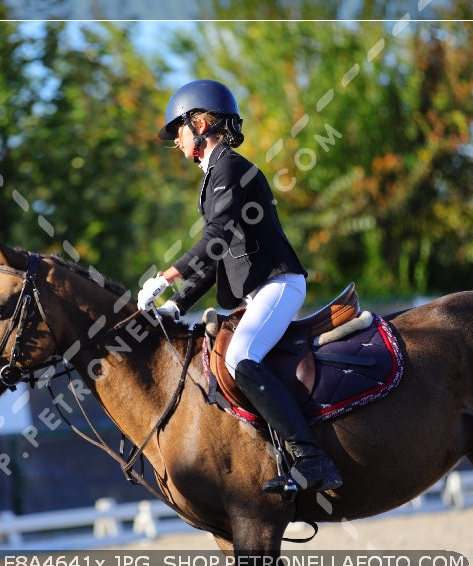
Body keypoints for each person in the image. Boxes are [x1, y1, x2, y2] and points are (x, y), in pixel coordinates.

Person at [136, 79, 342, 493]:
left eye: (178, 131)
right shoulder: (215, 175)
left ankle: (312, 459)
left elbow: (213, 239)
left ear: (201, 123)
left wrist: (164, 278)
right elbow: (219, 258)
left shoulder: (231, 168)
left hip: (278, 284)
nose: (176, 142)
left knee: (241, 359)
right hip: (258, 290)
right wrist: (177, 304)